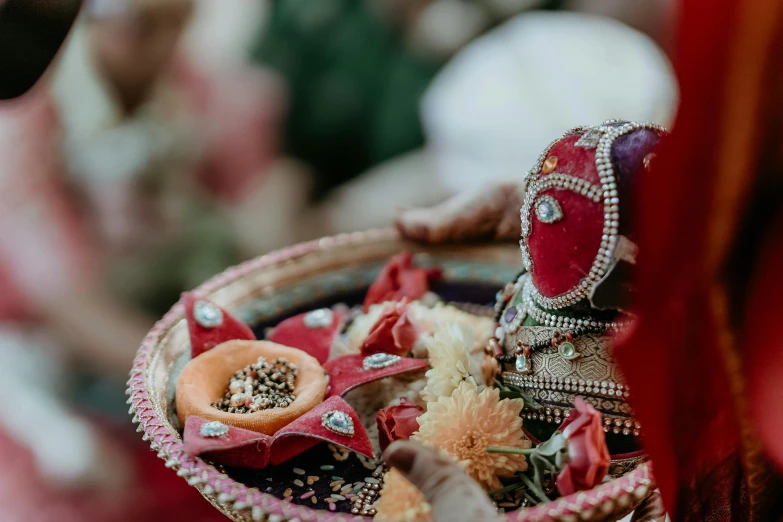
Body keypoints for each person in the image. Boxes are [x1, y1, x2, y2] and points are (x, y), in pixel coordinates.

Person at [0, 0, 289, 519]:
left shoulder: (210, 97)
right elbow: (62, 296)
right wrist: (193, 376)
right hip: (52, 353)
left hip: (170, 325)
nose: (143, 39)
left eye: (168, 23)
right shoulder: (30, 109)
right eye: (130, 22)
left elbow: (253, 235)